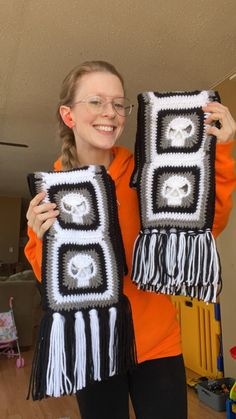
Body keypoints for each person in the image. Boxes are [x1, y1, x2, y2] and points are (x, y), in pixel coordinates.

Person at [25, 60, 236, 419]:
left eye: (118, 103)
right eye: (95, 101)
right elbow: (52, 284)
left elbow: (204, 228)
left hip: (158, 345)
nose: (110, 112)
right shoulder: (51, 193)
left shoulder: (152, 171)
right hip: (92, 345)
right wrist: (42, 240)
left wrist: (223, 152)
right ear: (68, 115)